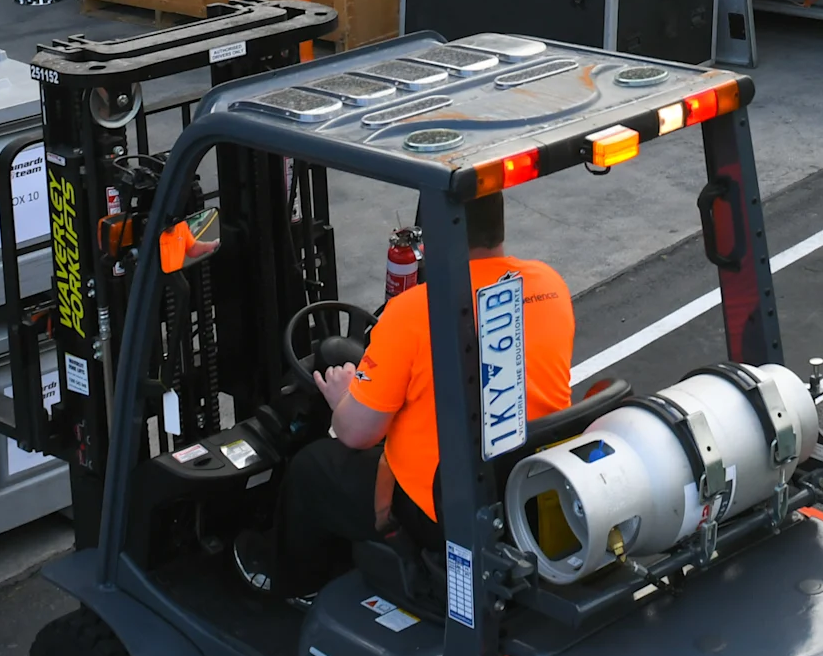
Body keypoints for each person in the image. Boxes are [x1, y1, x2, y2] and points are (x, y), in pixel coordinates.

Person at [236, 189, 573, 598]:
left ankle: (292, 583)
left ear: (430, 236)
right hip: (530, 488)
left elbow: (356, 434)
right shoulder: (548, 285)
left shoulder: (414, 311)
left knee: (313, 469)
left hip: (444, 509)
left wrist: (342, 394)